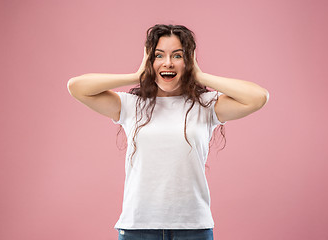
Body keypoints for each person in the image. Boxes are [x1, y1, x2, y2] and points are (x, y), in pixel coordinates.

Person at [67, 24, 269, 240]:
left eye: (178, 55)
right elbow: (76, 86)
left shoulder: (206, 105)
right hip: (138, 228)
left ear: (188, 62)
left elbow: (257, 97)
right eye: (158, 55)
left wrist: (199, 76)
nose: (168, 63)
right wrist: (136, 75)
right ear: (149, 61)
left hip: (193, 228)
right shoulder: (131, 105)